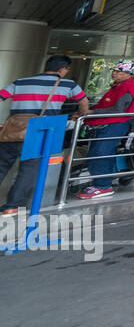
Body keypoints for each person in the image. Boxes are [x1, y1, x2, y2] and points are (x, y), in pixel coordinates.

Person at [0, 55, 90, 215]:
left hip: (12, 131)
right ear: (63, 69)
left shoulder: (20, 81)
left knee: (1, 166)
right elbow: (83, 102)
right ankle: (12, 206)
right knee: (28, 170)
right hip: (39, 132)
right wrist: (81, 115)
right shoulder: (68, 84)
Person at [77, 61, 134, 199]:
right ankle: (103, 182)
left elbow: (118, 110)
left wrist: (92, 112)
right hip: (108, 123)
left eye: (119, 72)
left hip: (114, 124)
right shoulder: (118, 85)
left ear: (128, 74)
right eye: (114, 70)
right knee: (102, 152)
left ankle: (102, 186)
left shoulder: (128, 87)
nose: (114, 73)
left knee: (100, 152)